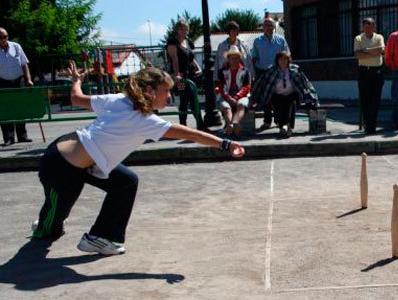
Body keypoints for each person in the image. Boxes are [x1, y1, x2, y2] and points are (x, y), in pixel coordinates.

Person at [31, 61, 245, 255]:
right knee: (50, 230)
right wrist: (226, 144)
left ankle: (100, 238)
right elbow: (190, 134)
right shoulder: (144, 120)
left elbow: (76, 98)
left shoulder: (118, 100)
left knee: (126, 181)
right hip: (61, 167)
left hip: (82, 160)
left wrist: (76, 81)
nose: (169, 96)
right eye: (165, 91)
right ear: (149, 91)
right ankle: (47, 223)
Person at [0, 27, 33, 145]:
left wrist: (28, 79)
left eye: (5, 36)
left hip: (18, 81)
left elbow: (24, 64)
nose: (3, 39)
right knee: (5, 110)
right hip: (1, 82)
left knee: (20, 108)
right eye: (0, 37)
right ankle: (8, 138)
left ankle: (22, 136)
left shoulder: (16, 47)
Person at [251, 52, 318, 138]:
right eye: (281, 59)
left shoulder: (295, 70)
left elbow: (306, 84)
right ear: (277, 60)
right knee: (279, 103)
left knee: (291, 103)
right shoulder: (271, 70)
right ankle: (287, 126)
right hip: (276, 95)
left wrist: (312, 97)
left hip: (292, 94)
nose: (283, 61)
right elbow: (261, 84)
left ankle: (284, 125)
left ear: (288, 60)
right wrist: (254, 98)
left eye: (285, 59)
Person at [251, 18, 290, 131]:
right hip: (262, 71)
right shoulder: (257, 41)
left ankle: (279, 121)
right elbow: (254, 58)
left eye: (270, 25)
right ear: (262, 28)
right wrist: (253, 74)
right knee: (265, 98)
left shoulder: (281, 40)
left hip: (277, 72)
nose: (268, 27)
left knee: (278, 96)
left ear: (274, 27)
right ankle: (267, 121)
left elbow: (287, 56)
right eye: (266, 25)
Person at [165, 19, 202, 126]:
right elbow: (174, 59)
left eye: (186, 29)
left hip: (190, 74)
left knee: (190, 98)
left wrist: (198, 68)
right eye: (182, 29)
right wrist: (177, 76)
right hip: (180, 75)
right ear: (177, 30)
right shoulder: (173, 42)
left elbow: (191, 57)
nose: (184, 31)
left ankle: (192, 124)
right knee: (186, 99)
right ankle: (196, 124)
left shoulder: (188, 42)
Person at [354, 17, 385, 134]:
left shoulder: (379, 37)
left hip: (377, 72)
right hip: (364, 72)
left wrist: (365, 51)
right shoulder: (358, 38)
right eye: (366, 26)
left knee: (375, 100)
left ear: (374, 27)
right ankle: (368, 125)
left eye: (370, 26)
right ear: (363, 27)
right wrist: (373, 52)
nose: (368, 29)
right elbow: (358, 54)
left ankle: (373, 125)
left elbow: (381, 49)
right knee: (365, 100)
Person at [216, 46, 252, 137]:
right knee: (226, 107)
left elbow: (246, 87)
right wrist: (228, 98)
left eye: (236, 58)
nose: (234, 60)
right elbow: (221, 87)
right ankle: (233, 126)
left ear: (240, 59)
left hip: (241, 95)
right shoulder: (222, 71)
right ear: (228, 59)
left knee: (241, 105)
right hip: (226, 95)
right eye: (232, 58)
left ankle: (233, 124)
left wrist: (236, 97)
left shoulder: (245, 71)